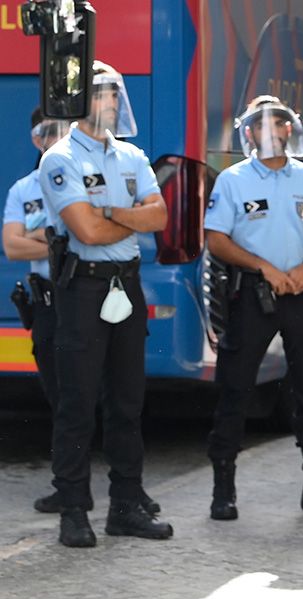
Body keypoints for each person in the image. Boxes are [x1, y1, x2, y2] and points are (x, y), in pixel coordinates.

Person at [38, 61, 173, 547]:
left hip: (126, 284)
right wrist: (131, 217)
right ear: (78, 101)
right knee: (77, 403)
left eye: (116, 94)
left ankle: (126, 505)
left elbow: (159, 217)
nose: (112, 103)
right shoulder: (60, 158)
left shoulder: (133, 155)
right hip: (84, 289)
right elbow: (87, 232)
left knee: (128, 401)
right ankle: (73, 508)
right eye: (102, 95)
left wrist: (114, 211)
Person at [204, 96, 303, 521]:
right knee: (235, 389)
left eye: (278, 123)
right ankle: (224, 489)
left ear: (289, 129)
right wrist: (265, 268)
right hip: (253, 295)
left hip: (302, 289)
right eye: (260, 125)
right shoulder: (233, 179)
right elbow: (217, 239)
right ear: (248, 133)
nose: (270, 132)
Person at [5, 110, 69, 511]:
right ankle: (67, 486)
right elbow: (12, 246)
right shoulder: (24, 189)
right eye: (48, 131)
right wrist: (61, 244)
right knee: (59, 397)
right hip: (47, 302)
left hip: (86, 295)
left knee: (113, 396)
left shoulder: (82, 180)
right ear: (36, 138)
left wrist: (38, 237)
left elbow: (94, 234)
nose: (55, 138)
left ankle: (127, 492)